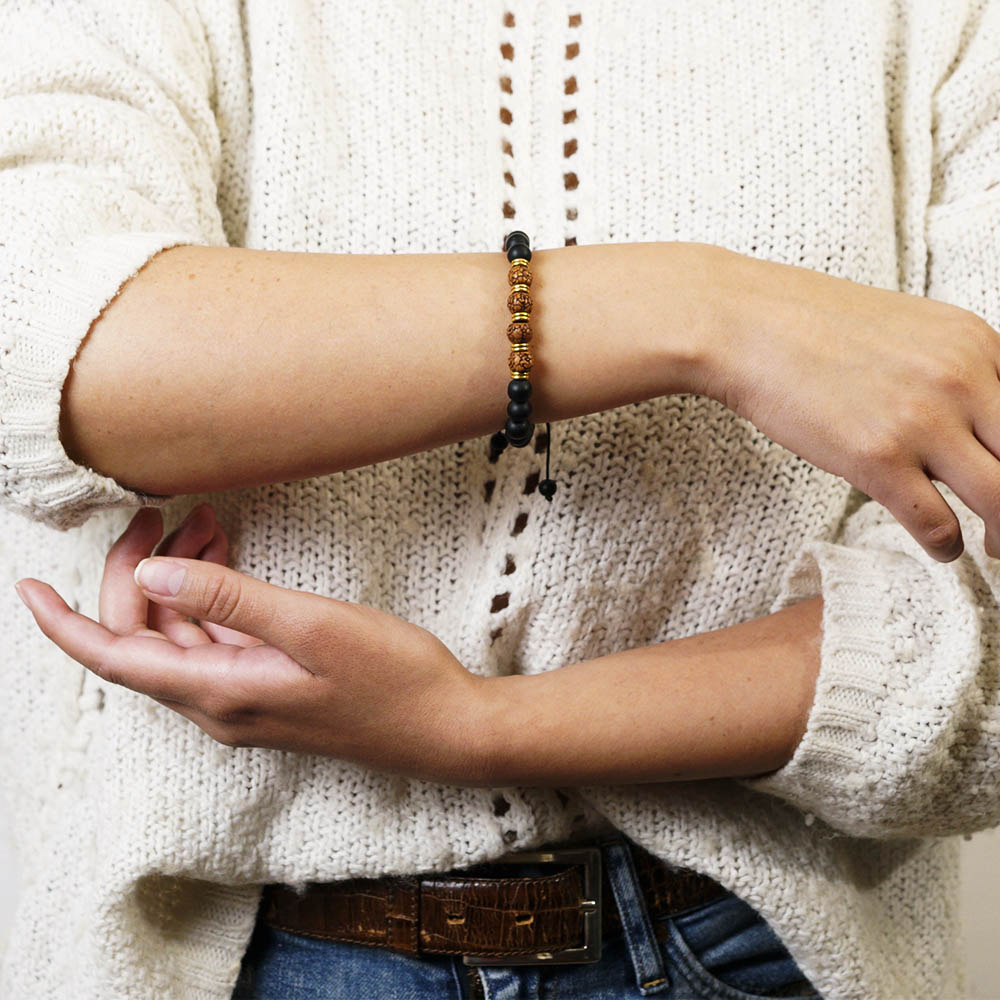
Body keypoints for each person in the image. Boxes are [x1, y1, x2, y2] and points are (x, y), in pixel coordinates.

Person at [1, 0, 998, 997]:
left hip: (757, 950)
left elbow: (979, 622)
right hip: (241, 947)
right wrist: (705, 313)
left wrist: (479, 725)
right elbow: (46, 343)